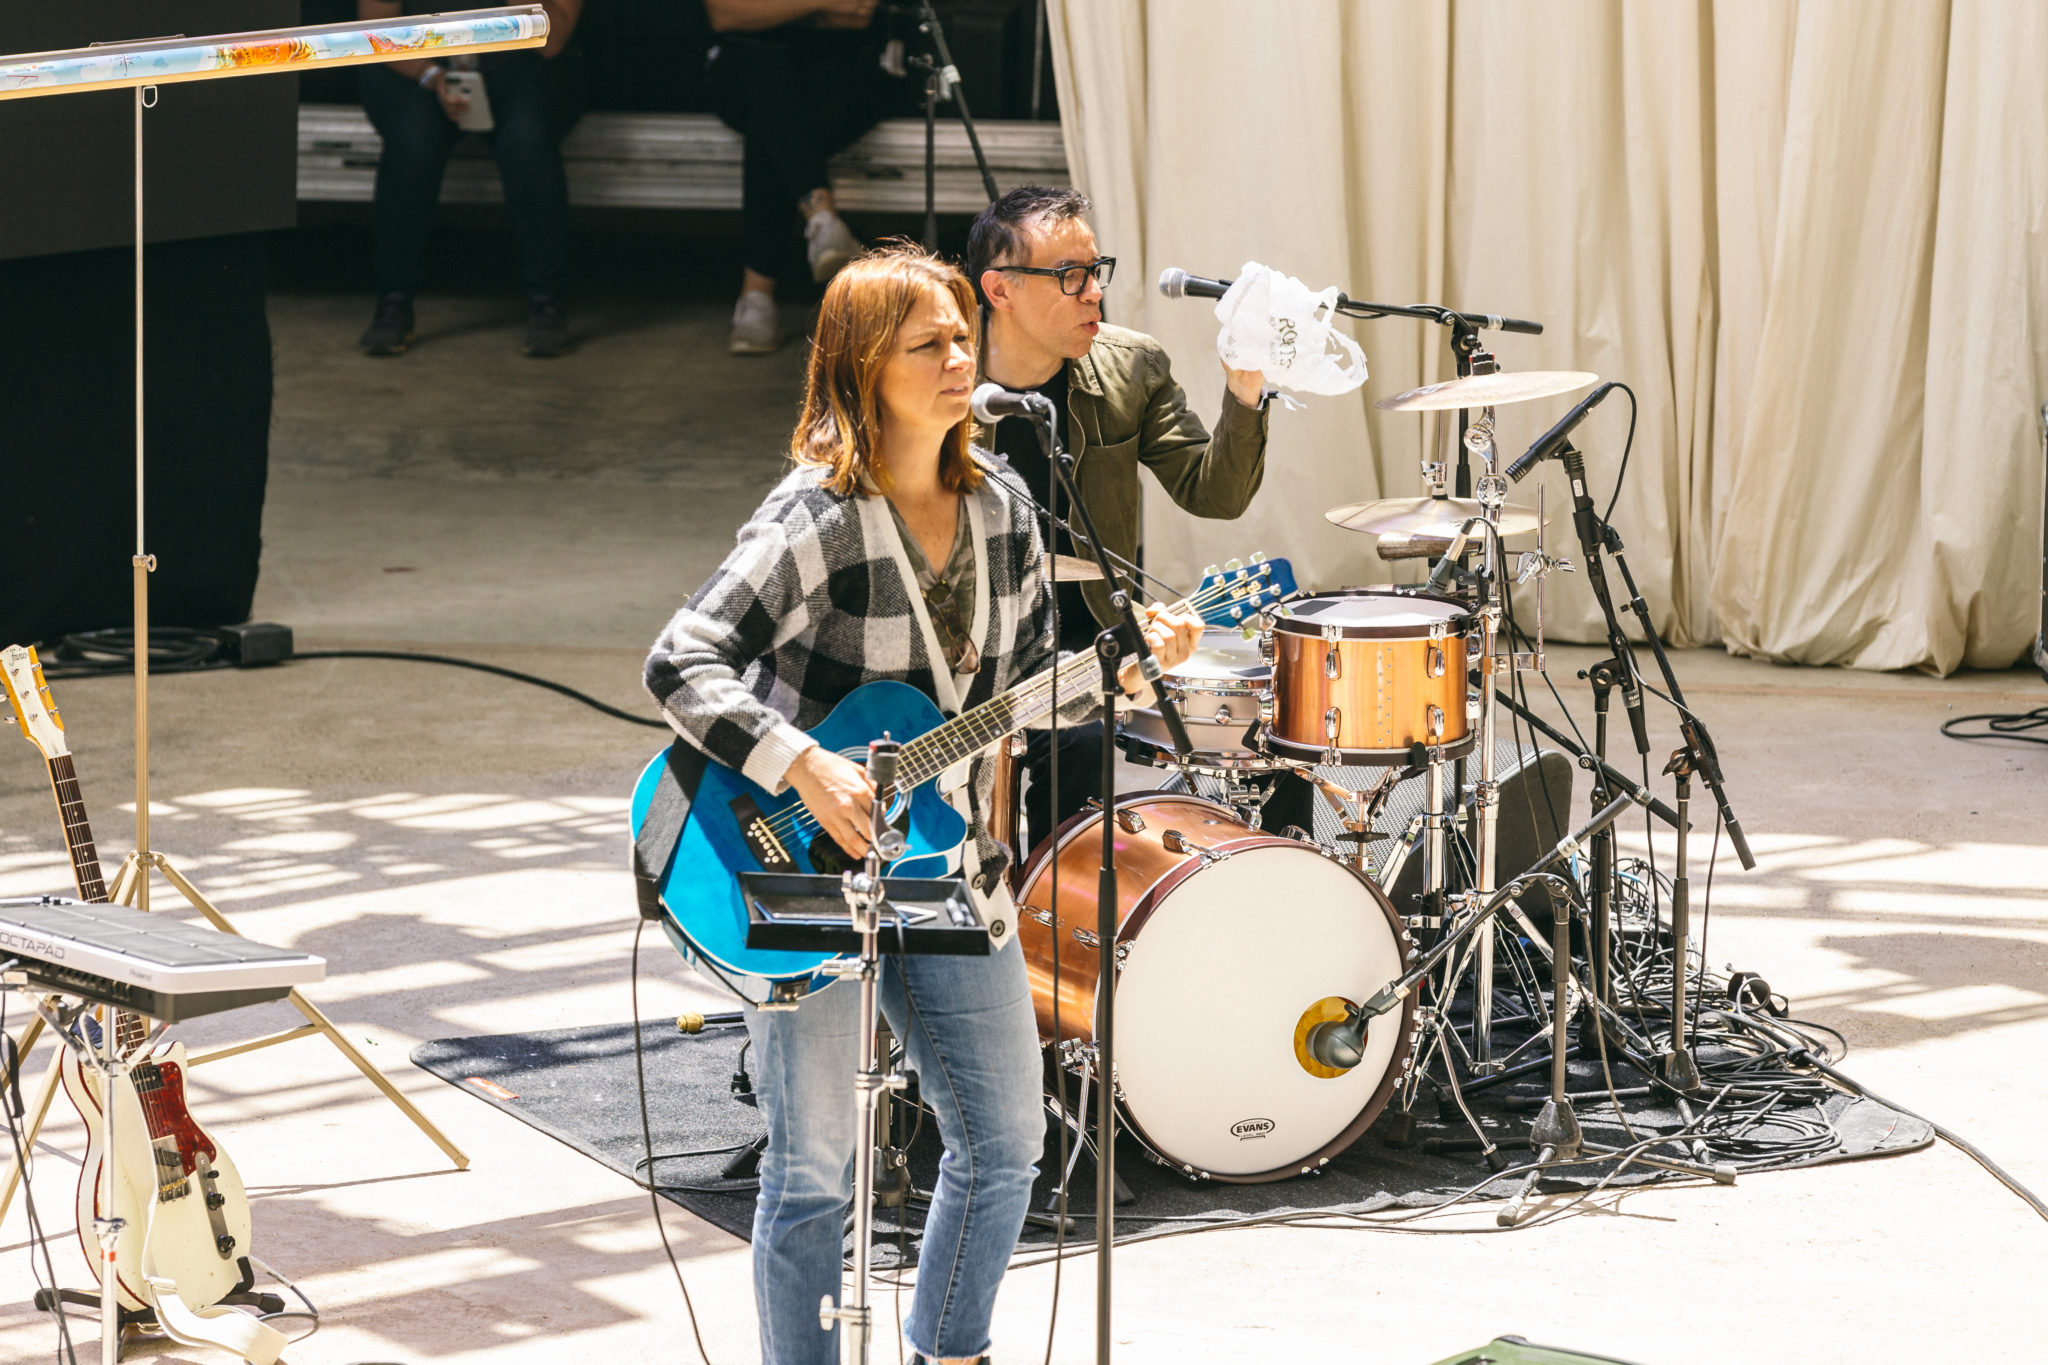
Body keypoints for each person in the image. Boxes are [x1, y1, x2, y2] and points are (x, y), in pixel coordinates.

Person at [643, 243, 1200, 1365]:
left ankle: (952, 1350)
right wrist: (801, 762)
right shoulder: (817, 520)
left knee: (1005, 1142)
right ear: (861, 368)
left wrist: (1123, 673)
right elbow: (679, 660)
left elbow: (1026, 696)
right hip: (795, 873)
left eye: (960, 335)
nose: (960, 359)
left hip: (948, 867)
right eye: (928, 343)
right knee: (813, 1173)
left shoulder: (1003, 511)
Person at [963, 185, 1316, 845]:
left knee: (1271, 719)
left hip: (1097, 638)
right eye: (1069, 276)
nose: (1093, 291)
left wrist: (1245, 387)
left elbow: (1216, 493)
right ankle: (1033, 918)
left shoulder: (1130, 366)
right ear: (999, 290)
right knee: (1071, 746)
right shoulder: (942, 382)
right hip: (974, 648)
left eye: (1095, 271)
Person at [355, 0, 585, 358]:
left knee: (527, 140)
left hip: (521, 65)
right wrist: (431, 76)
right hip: (421, 65)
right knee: (414, 141)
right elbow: (376, 29)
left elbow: (552, 40)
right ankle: (394, 301)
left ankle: (547, 302)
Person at [703, 0, 903, 354]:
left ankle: (757, 297)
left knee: (773, 118)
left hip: (834, 76)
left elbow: (857, 12)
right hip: (748, 67)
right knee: (765, 73)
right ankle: (823, 223)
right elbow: (726, 13)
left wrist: (773, 10)